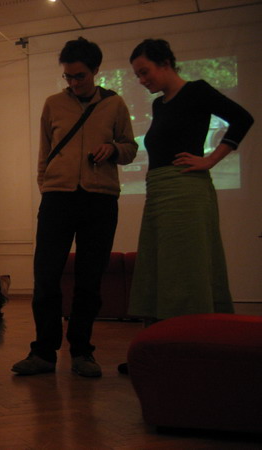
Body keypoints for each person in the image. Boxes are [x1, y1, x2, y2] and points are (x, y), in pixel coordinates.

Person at [119, 39, 254, 374]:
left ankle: (192, 353)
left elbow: (242, 118)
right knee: (159, 270)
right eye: (137, 75)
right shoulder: (159, 105)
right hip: (158, 193)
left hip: (186, 194)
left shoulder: (197, 91)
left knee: (186, 272)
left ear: (165, 63)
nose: (142, 80)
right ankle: (160, 352)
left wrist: (211, 159)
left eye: (145, 72)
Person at [12, 37, 138, 377]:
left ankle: (82, 351)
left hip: (100, 199)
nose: (73, 83)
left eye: (79, 76)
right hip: (58, 198)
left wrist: (113, 149)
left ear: (95, 70)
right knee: (46, 276)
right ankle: (43, 352)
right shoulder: (53, 104)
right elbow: (44, 152)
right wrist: (46, 185)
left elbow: (130, 149)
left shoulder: (114, 104)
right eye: (68, 76)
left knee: (89, 280)